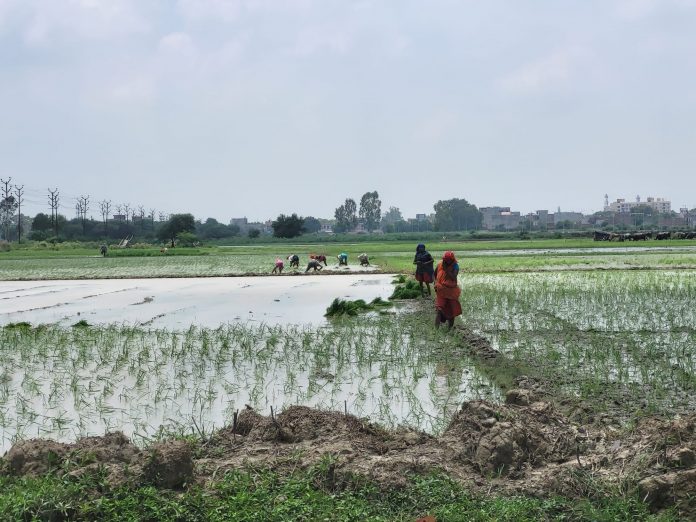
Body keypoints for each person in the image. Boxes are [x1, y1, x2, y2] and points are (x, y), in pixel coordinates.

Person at [434, 251, 462, 329]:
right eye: (446, 260)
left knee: (451, 311)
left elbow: (453, 277)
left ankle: (450, 329)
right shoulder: (440, 264)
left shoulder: (455, 266)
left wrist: (447, 270)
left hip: (451, 291)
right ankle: (436, 330)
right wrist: (435, 284)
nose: (447, 261)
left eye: (449, 260)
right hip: (441, 290)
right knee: (439, 310)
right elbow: (435, 274)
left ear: (452, 259)